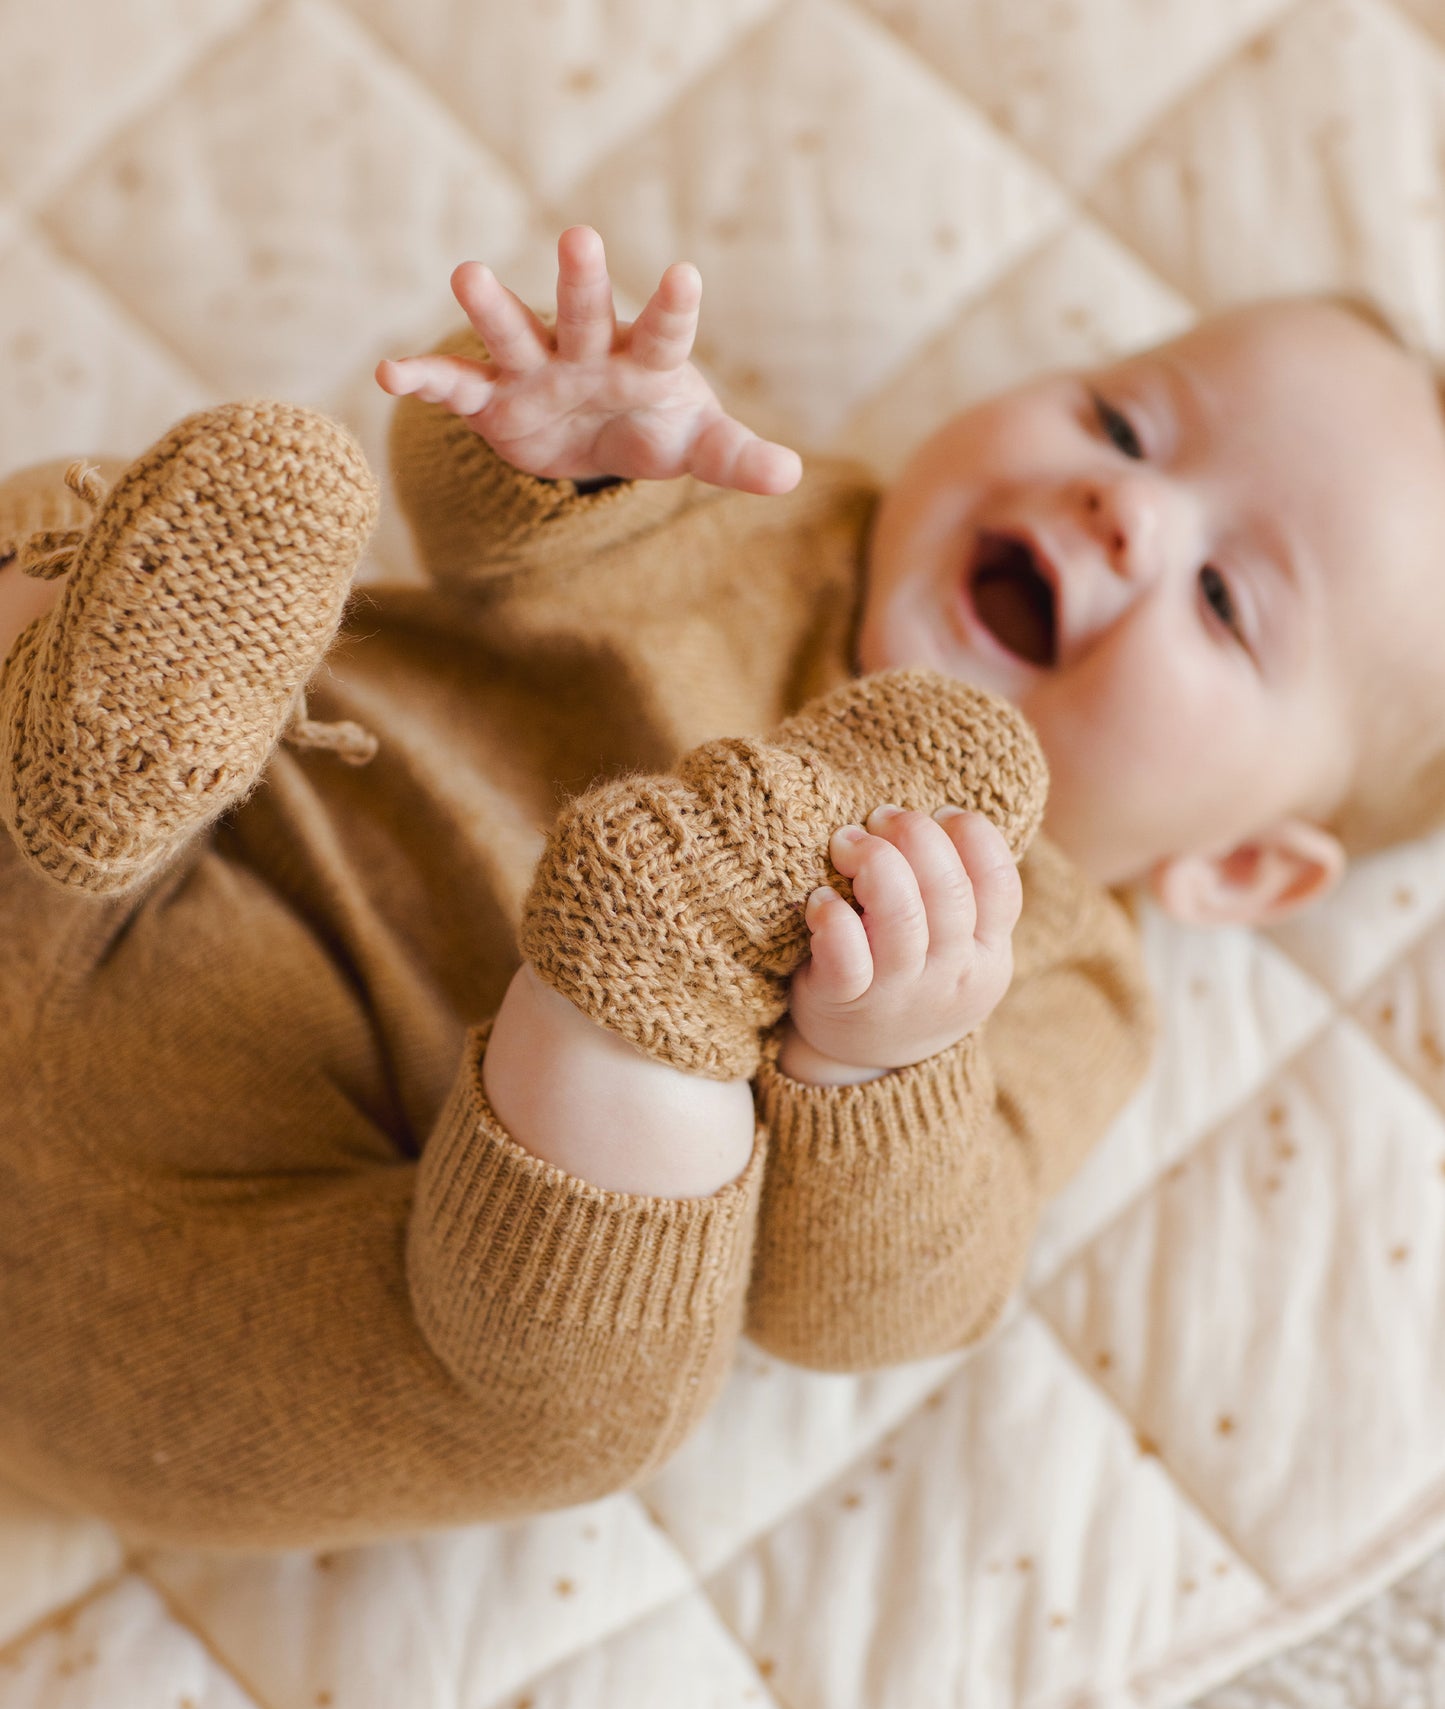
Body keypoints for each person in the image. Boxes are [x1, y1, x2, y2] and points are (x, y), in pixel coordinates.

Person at [1, 224, 1440, 1551]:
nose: (1126, 508)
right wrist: (552, 459)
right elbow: (495, 560)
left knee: (588, 1391)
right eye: (1120, 423)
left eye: (1222, 600)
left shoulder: (1059, 978)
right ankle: (94, 702)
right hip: (158, 851)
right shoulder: (778, 516)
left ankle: (634, 996)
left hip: (234, 1250)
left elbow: (875, 1305)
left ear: (1241, 864)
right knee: (102, 531)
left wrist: (876, 1063)